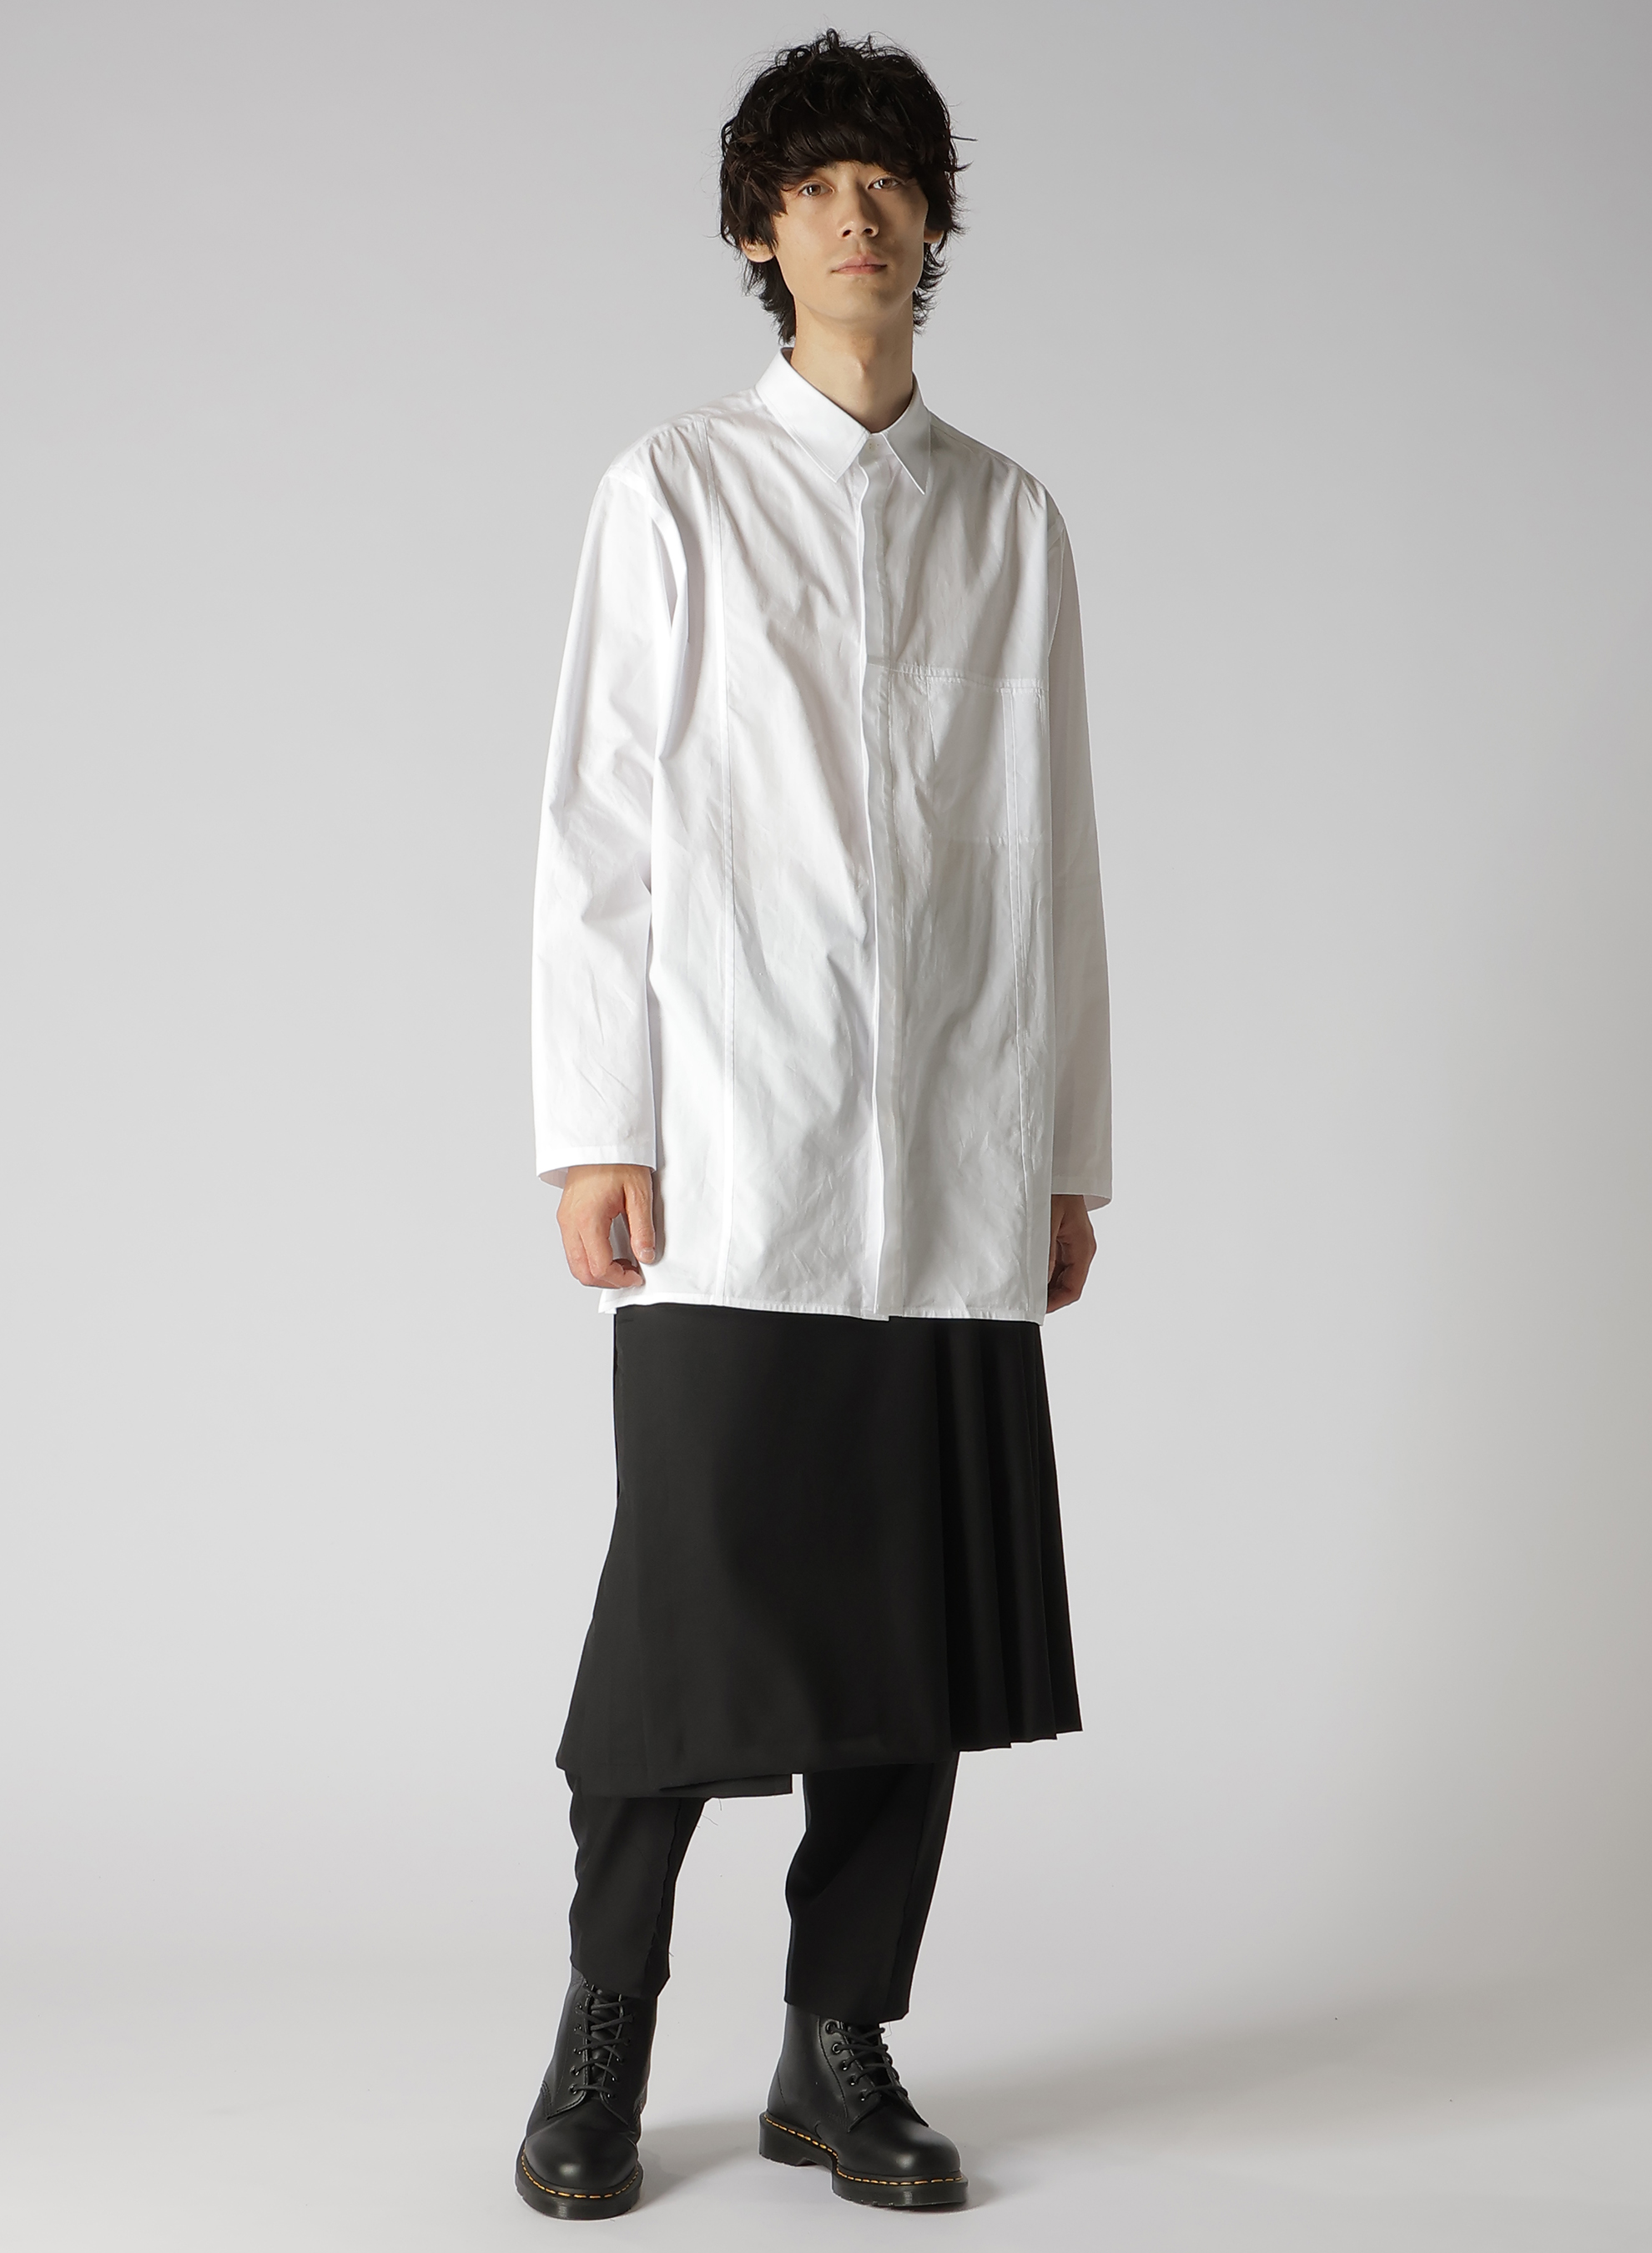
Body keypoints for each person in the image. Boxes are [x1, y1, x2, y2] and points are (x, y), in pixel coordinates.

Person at [516, 28, 1110, 2221]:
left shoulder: (1010, 521)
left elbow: (1053, 858)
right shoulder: (673, 492)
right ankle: (603, 2022)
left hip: (949, 1163)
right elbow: (598, 828)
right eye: (815, 182)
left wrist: (1061, 1148)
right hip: (733, 1149)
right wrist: (599, 1120)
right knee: (684, 1628)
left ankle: (835, 2042)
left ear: (932, 226)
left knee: (910, 1645)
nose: (857, 212)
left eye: (890, 180)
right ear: (761, 233)